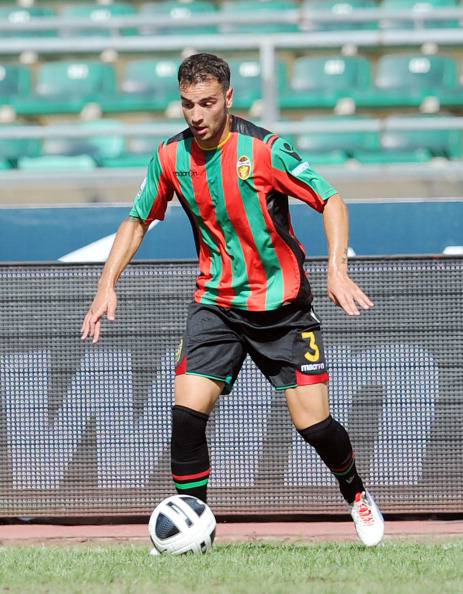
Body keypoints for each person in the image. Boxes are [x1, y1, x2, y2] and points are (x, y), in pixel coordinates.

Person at [81, 52, 384, 547]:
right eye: (187, 104)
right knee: (186, 414)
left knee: (314, 424)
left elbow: (331, 199)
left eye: (206, 103)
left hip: (283, 310)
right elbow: (137, 219)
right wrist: (106, 284)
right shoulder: (170, 157)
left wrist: (336, 269)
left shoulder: (264, 150)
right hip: (216, 305)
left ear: (228, 98)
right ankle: (190, 528)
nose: (196, 115)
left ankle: (356, 494)